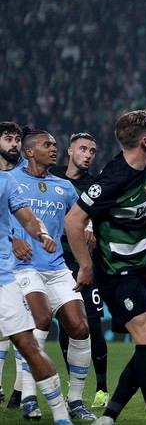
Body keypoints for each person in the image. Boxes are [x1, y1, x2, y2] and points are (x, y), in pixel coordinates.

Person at [64, 109, 146, 425]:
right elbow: (73, 220)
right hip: (119, 273)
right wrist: (84, 266)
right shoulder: (112, 179)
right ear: (145, 140)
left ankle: (109, 416)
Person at [10, 128, 96, 421]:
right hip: (24, 266)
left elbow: (80, 218)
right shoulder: (11, 180)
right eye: (47, 144)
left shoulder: (64, 186)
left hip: (57, 267)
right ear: (29, 152)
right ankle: (29, 396)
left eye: (55, 144)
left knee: (80, 328)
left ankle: (76, 400)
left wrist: (87, 230)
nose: (54, 148)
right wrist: (12, 238)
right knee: (42, 318)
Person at [1, 169, 73, 425]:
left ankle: (60, 415)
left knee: (29, 344)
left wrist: (41, 234)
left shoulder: (6, 181)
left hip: (4, 278)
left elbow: (29, 220)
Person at [50, 132, 110, 410]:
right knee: (67, 325)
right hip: (57, 261)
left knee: (93, 325)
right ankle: (72, 384)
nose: (88, 154)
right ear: (70, 151)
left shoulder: (96, 185)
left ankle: (101, 388)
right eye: (83, 149)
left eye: (93, 151)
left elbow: (104, 219)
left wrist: (95, 231)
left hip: (87, 263)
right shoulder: (51, 178)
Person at [0, 120, 26, 408]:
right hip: (4, 258)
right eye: (8, 138)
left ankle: (21, 393)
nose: (14, 144)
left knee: (21, 327)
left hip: (25, 263)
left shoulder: (25, 174)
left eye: (17, 139)